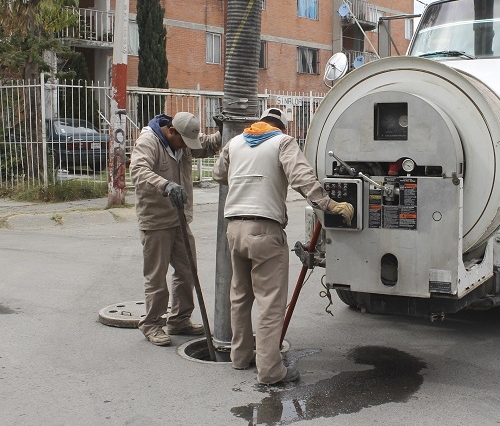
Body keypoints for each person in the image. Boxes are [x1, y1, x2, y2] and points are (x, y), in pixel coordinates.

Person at [212, 107, 353, 385]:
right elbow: (301, 178)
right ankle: (270, 370)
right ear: (281, 127)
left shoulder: (236, 142)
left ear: (261, 122)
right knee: (270, 303)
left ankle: (240, 357)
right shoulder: (282, 142)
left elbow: (218, 174)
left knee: (240, 297)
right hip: (265, 230)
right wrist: (329, 204)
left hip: (235, 229)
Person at [130, 112, 222, 346]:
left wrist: (223, 130)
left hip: (179, 219)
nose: (186, 146)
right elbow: (138, 171)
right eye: (183, 141)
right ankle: (152, 324)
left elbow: (206, 146)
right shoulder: (149, 141)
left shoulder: (182, 141)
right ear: (171, 131)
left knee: (187, 270)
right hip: (156, 221)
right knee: (156, 277)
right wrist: (165, 185)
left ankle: (179, 320)